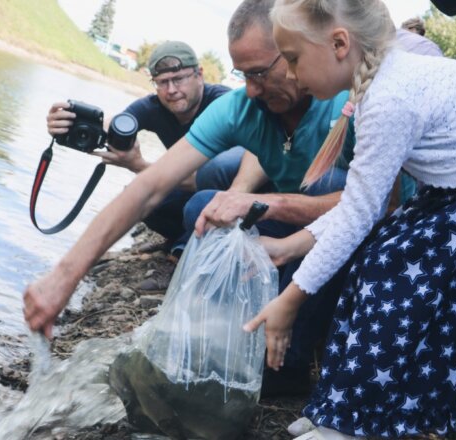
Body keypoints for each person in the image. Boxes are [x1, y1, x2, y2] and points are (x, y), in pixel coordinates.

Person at [242, 0, 456, 437]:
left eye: (293, 59)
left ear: (338, 43)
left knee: (400, 277)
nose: (290, 75)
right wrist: (293, 249)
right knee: (377, 262)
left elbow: (356, 214)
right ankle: (343, 407)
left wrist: (290, 299)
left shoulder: (390, 97)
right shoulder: (376, 87)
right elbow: (360, 204)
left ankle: (362, 421)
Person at [24, 0, 356, 398]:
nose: (250, 89)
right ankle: (223, 336)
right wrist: (64, 276)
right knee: (203, 208)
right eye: (242, 75)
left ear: (292, 49)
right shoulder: (243, 106)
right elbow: (150, 187)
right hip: (295, 224)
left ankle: (289, 365)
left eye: (260, 73)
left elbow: (375, 205)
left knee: (322, 186)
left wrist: (264, 205)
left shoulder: (342, 96)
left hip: (363, 236)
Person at [45, 41, 243, 254]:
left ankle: (189, 246)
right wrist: (69, 125)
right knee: (138, 197)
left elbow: (204, 178)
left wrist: (138, 165)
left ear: (199, 74)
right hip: (192, 191)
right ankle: (178, 240)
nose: (171, 90)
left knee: (200, 187)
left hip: (233, 195)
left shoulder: (224, 103)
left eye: (179, 79)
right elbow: (113, 125)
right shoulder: (154, 106)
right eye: (162, 82)